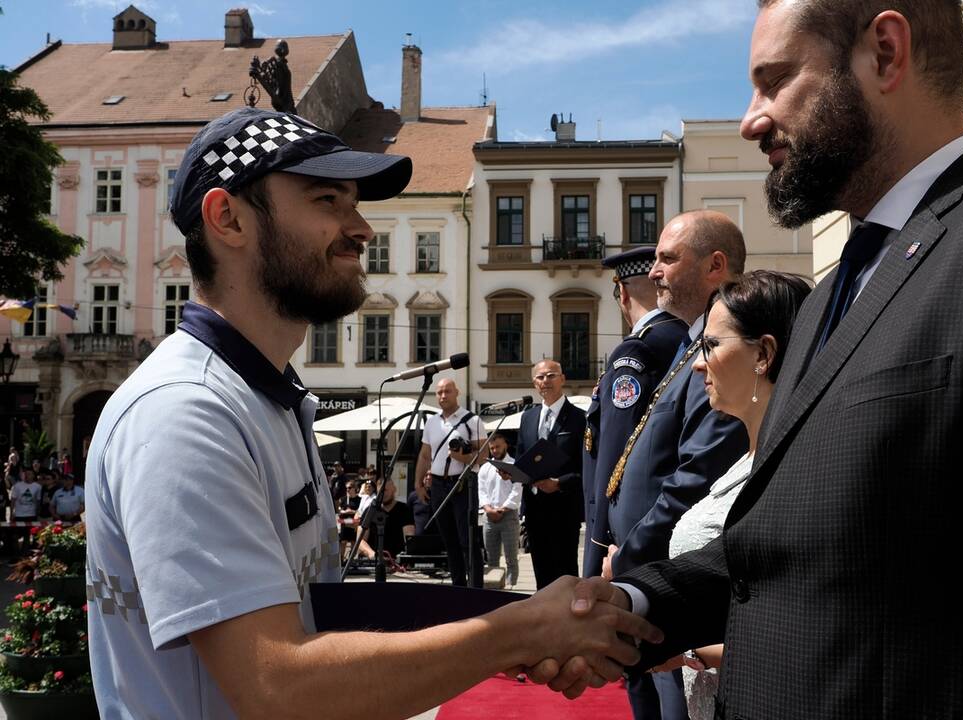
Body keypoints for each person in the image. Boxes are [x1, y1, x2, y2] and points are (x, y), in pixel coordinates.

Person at [561, 1, 963, 717]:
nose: (751, 120)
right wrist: (625, 604)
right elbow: (776, 554)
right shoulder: (830, 294)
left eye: (775, 82)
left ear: (885, 53)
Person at [82, 106, 660, 718]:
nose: (361, 229)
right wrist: (519, 633)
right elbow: (279, 689)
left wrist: (509, 622)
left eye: (354, 205)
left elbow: (314, 617)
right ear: (228, 218)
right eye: (327, 201)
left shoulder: (264, 397)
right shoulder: (184, 414)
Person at [603, 210, 750, 719]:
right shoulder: (689, 345)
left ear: (714, 265)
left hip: (677, 576)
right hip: (653, 570)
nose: (654, 272)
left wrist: (628, 559)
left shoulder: (725, 352)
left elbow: (695, 476)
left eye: (668, 258)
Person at [651, 271, 811, 720]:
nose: (698, 364)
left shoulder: (798, 472)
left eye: (711, 345)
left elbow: (798, 630)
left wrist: (687, 649)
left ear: (763, 354)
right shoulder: (744, 460)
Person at [582, 246, 687, 579]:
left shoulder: (637, 349)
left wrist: (597, 548)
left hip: (624, 540)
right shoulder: (686, 338)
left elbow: (614, 456)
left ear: (623, 294)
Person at [515, 360, 586, 589]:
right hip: (534, 508)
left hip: (565, 508)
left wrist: (560, 483)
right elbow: (522, 458)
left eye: (551, 375)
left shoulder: (580, 418)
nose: (545, 381)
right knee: (541, 573)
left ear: (562, 379)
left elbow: (588, 467)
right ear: (534, 383)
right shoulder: (527, 417)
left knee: (565, 573)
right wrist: (511, 472)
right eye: (540, 377)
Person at [414, 378, 487, 587]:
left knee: (468, 540)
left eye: (447, 391)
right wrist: (418, 484)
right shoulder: (432, 422)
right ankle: (458, 587)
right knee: (449, 541)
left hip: (463, 484)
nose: (443, 395)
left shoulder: (472, 420)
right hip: (438, 485)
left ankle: (476, 588)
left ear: (457, 392)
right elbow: (425, 455)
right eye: (439, 392)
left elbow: (483, 456)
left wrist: (461, 457)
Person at [477, 432, 522, 588]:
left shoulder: (514, 465)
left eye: (498, 447)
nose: (495, 450)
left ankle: (512, 586)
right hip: (489, 516)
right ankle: (494, 586)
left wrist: (502, 509)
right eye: (492, 448)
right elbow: (482, 491)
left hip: (508, 515)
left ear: (505, 445)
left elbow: (517, 490)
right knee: (491, 557)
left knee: (511, 557)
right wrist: (488, 509)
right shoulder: (485, 468)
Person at [357, 477, 415, 561]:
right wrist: (372, 554)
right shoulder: (370, 511)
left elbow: (409, 538)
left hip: (396, 562)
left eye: (385, 490)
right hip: (373, 562)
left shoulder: (404, 510)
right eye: (380, 491)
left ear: (394, 489)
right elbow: (360, 540)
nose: (383, 494)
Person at [337, 480, 363, 563]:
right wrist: (345, 512)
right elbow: (339, 511)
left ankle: (350, 560)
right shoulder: (343, 499)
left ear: (355, 488)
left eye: (349, 488)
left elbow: (361, 511)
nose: (347, 489)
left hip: (354, 523)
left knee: (353, 542)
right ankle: (341, 560)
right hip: (345, 522)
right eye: (346, 488)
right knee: (343, 542)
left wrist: (353, 511)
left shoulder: (359, 500)